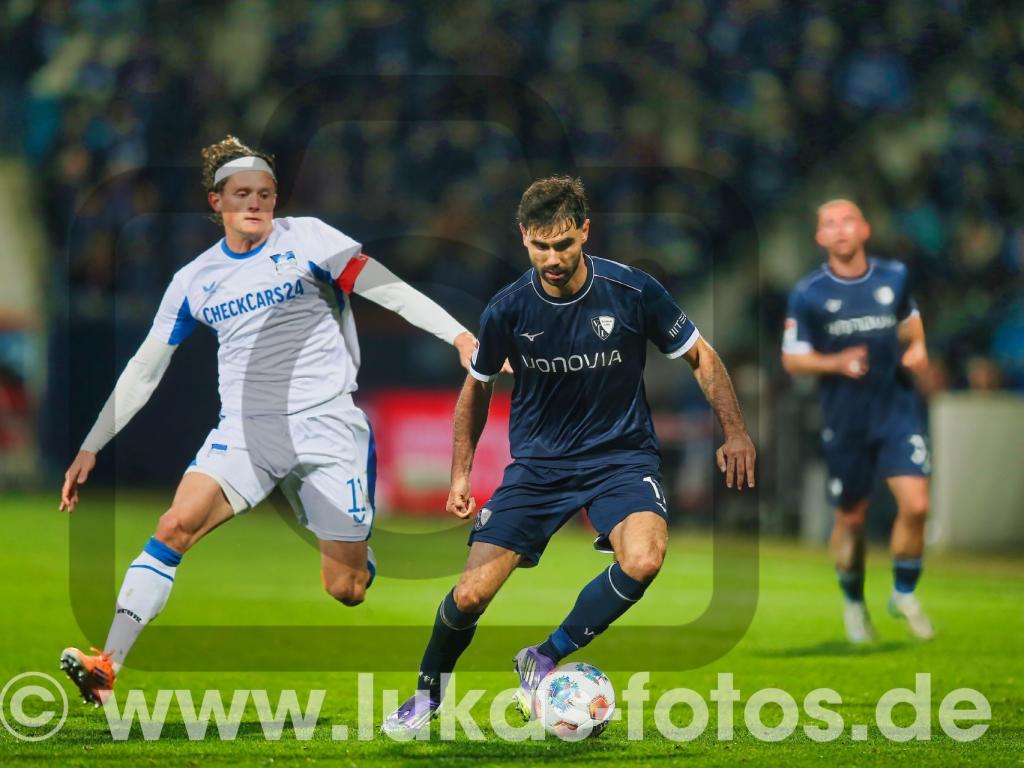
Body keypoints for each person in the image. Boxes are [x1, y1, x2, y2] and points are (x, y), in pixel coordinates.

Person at [58, 136, 477, 705]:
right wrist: (92, 444)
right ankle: (108, 663)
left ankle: (353, 549)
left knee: (346, 588)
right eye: (241, 194)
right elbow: (145, 369)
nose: (255, 203)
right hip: (245, 430)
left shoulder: (311, 240)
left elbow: (391, 292)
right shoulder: (194, 280)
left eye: (265, 193)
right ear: (216, 202)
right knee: (173, 526)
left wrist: (457, 334)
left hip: (327, 426)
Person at [382, 176, 756, 736]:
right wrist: (460, 474)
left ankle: (546, 654)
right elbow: (477, 387)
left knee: (645, 558)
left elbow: (700, 355)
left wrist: (736, 432)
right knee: (470, 594)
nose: (553, 259)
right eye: (540, 246)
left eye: (564, 244)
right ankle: (426, 695)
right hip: (539, 468)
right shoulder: (507, 309)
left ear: (585, 230)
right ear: (523, 238)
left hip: (621, 460)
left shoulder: (632, 291)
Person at [782, 199, 933, 643]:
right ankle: (853, 602)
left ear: (864, 229)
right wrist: (835, 363)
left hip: (896, 409)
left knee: (917, 504)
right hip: (845, 419)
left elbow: (912, 321)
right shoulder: (809, 293)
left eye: (848, 220)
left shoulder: (894, 277)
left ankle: (903, 592)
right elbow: (792, 359)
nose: (840, 229)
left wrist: (918, 349)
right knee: (851, 520)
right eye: (830, 223)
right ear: (820, 238)